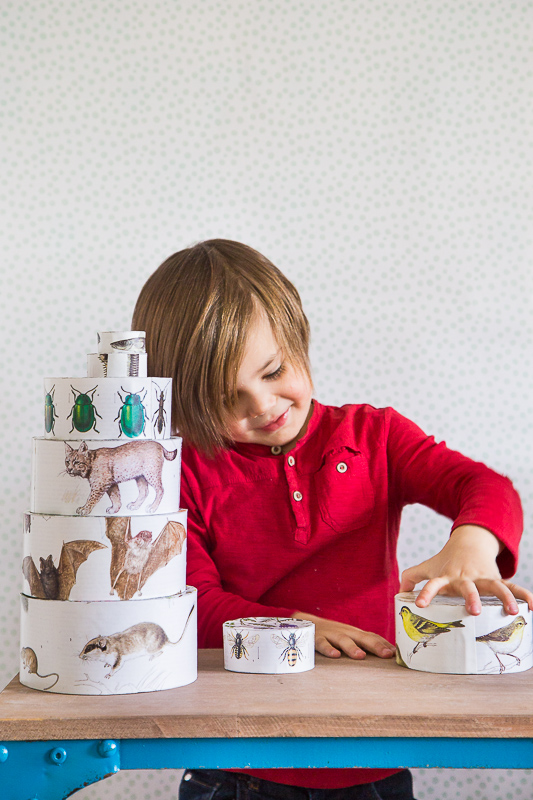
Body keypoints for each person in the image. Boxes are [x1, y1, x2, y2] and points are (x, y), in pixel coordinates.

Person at [132, 239, 531, 800]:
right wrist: (296, 628)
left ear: (299, 336)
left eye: (274, 371)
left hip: (373, 756)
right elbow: (191, 606)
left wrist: (473, 545)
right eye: (227, 398)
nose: (262, 405)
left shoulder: (376, 437)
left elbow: (486, 487)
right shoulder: (182, 474)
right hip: (238, 761)